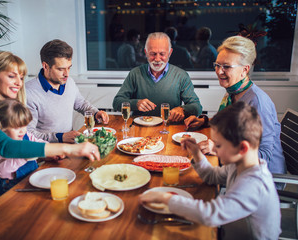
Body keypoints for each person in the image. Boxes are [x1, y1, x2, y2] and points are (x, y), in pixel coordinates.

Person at [0, 51, 100, 229]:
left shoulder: (10, 111)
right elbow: (6, 147)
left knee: (49, 218)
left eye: (21, 77)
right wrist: (69, 149)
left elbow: (25, 142)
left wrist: (43, 155)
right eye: (11, 76)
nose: (18, 83)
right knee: (21, 228)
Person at [139, 102, 281, 240]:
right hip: (229, 228)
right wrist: (196, 152)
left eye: (218, 145)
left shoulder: (254, 184)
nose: (214, 149)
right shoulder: (239, 165)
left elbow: (211, 214)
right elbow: (212, 176)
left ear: (242, 148)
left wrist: (166, 199)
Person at [184, 35, 286, 177]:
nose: (219, 71)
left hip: (262, 179)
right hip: (237, 168)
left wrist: (217, 149)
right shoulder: (233, 91)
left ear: (245, 70)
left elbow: (264, 156)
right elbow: (232, 124)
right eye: (217, 65)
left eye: (226, 66)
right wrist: (205, 121)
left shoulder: (257, 102)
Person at [26, 39, 109, 143]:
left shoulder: (69, 82)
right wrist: (60, 137)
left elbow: (81, 104)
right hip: (47, 153)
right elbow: (28, 135)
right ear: (46, 66)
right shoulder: (29, 93)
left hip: (71, 145)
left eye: (69, 68)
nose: (67, 74)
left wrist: (95, 113)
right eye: (61, 69)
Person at [112, 32, 202, 122]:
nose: (157, 59)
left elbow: (197, 107)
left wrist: (183, 109)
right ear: (146, 53)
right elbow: (117, 102)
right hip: (140, 129)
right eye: (153, 54)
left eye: (162, 54)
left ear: (170, 53)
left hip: (170, 128)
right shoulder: (135, 73)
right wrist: (135, 104)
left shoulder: (181, 76)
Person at [0, 99, 53, 199]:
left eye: (25, 126)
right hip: (10, 190)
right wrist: (24, 157)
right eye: (17, 127)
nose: (22, 131)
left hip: (31, 181)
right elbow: (1, 171)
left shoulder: (25, 135)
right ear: (2, 127)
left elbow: (38, 142)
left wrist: (51, 150)